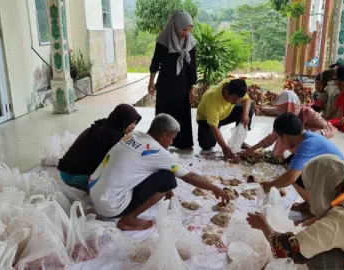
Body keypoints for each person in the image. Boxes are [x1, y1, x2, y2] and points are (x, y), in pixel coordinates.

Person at [89, 114, 230, 231]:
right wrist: (214, 188)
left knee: (159, 169)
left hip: (94, 192)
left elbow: (148, 165)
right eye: (172, 138)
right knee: (168, 178)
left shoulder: (134, 135)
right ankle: (129, 219)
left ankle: (158, 198)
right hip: (110, 206)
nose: (171, 142)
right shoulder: (158, 152)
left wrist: (170, 195)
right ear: (163, 135)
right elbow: (190, 177)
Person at [258, 113, 344, 210]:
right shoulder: (309, 136)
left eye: (280, 138)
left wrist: (269, 186)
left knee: (295, 175)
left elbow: (291, 177)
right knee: (292, 161)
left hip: (339, 189)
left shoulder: (307, 144)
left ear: (285, 136)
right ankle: (311, 202)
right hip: (336, 179)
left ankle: (316, 207)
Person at [57, 104, 141, 192]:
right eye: (130, 122)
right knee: (114, 186)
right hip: (71, 175)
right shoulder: (111, 136)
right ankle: (94, 192)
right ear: (122, 119)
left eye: (135, 123)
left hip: (67, 169)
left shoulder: (107, 125)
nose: (133, 126)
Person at [241, 90, 337, 163]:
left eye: (282, 109)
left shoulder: (308, 113)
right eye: (279, 110)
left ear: (289, 106)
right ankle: (282, 157)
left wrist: (314, 135)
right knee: (282, 134)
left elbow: (332, 129)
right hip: (295, 142)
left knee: (291, 135)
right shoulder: (284, 119)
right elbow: (272, 137)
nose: (280, 112)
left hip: (309, 143)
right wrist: (253, 149)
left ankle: (298, 158)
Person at [148, 10, 197, 151]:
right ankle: (160, 143)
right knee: (164, 114)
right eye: (183, 29)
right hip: (165, 84)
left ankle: (184, 143)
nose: (186, 33)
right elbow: (155, 62)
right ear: (175, 25)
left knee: (182, 112)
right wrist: (151, 82)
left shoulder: (190, 42)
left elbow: (192, 67)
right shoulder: (164, 40)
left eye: (188, 29)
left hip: (182, 84)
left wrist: (191, 88)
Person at [196, 79, 254, 158]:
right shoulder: (212, 98)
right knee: (207, 145)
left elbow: (247, 99)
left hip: (224, 114)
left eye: (239, 99)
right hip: (205, 119)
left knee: (248, 111)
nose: (237, 102)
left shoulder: (236, 87)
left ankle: (239, 142)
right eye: (234, 99)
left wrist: (245, 115)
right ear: (227, 92)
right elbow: (213, 126)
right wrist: (224, 147)